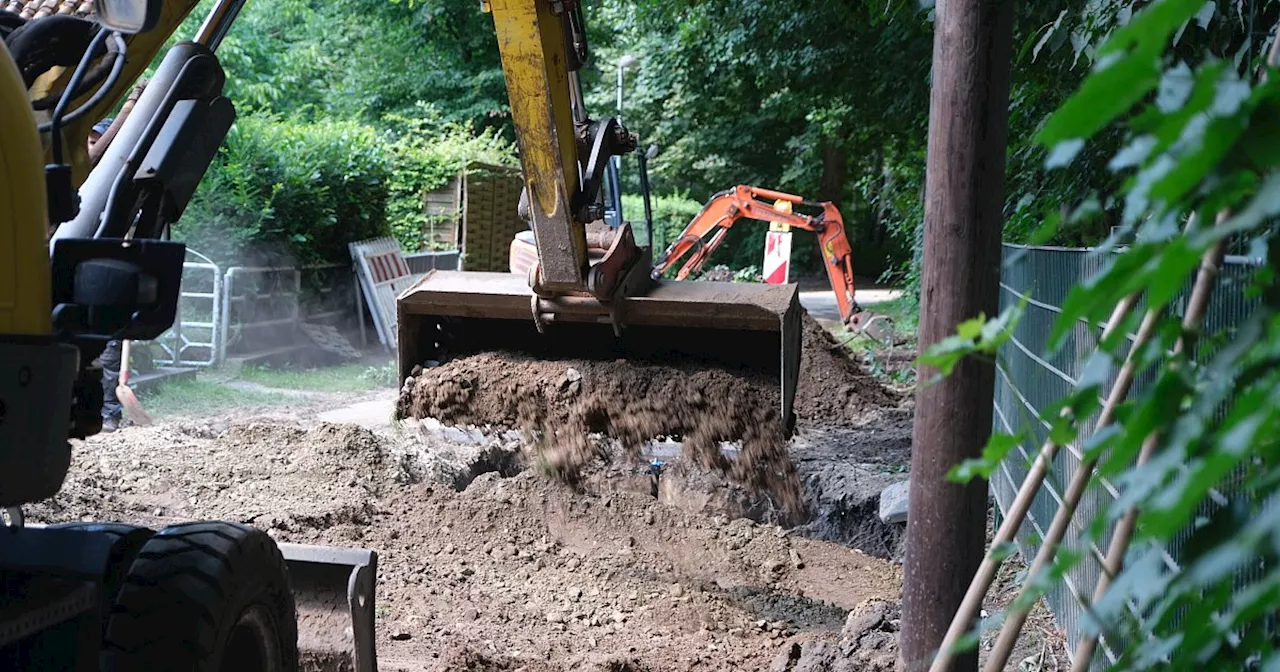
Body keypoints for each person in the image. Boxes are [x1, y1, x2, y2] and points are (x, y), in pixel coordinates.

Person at [89, 117, 123, 431]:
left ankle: (110, 414)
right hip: (82, 273)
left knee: (110, 354)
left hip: (108, 276)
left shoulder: (120, 187)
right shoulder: (82, 181)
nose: (91, 143)